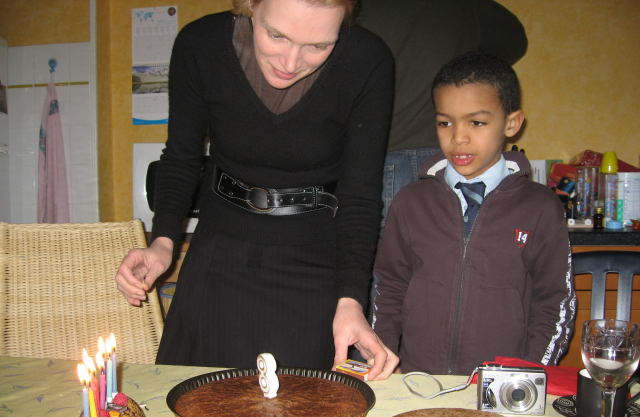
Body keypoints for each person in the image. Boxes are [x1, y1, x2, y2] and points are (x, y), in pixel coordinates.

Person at [115, 0, 399, 379]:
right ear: (251, 5)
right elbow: (181, 157)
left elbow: (360, 195)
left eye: (318, 45)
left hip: (313, 260)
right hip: (219, 252)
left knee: (302, 406)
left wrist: (351, 301)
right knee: (194, 397)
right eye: (276, 35)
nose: (291, 62)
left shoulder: (367, 60)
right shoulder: (200, 44)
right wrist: (163, 241)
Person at [372, 51, 576, 375]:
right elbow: (389, 287)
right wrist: (383, 354)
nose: (458, 137)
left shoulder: (540, 207)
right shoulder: (411, 202)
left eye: (477, 122)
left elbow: (554, 303)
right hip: (419, 381)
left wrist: (527, 375)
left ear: (512, 123)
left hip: (501, 384)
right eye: (445, 122)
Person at [357, 0, 528, 226]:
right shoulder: (463, 7)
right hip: (436, 157)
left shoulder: (359, 8)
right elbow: (514, 40)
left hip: (393, 154)